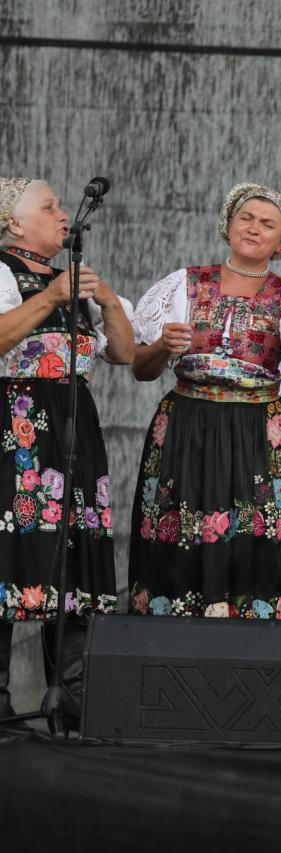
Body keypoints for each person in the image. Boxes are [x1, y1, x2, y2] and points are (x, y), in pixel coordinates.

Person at [129, 183, 281, 620]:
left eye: (268, 224)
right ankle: (172, 631)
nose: (254, 228)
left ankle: (254, 636)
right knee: (179, 526)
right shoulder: (185, 284)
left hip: (256, 429)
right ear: (228, 224)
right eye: (246, 218)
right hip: (188, 422)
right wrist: (163, 346)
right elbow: (141, 368)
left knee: (257, 534)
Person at [0, 178, 134, 720]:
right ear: (14, 223)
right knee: (10, 546)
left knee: (75, 548)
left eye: (60, 206)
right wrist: (52, 297)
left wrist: (107, 301)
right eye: (49, 207)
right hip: (17, 425)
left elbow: (124, 353)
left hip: (74, 424)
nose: (62, 215)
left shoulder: (70, 279)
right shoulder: (4, 272)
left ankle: (70, 695)